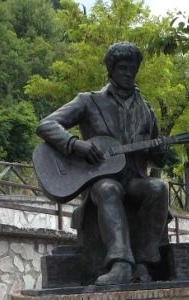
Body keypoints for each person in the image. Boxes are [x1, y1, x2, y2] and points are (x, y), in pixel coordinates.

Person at [36, 42, 170, 285]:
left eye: (133, 68)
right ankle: (120, 263)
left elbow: (156, 157)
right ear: (111, 70)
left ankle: (143, 263)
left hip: (135, 180)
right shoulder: (89, 101)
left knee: (159, 188)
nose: (128, 73)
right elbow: (46, 125)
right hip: (100, 181)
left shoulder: (146, 110)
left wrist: (160, 152)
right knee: (108, 188)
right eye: (122, 67)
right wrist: (75, 144)